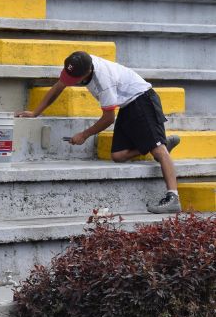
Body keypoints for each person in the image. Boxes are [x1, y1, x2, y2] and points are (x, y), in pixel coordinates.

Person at [16, 51, 182, 214]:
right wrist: (35, 112)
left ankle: (173, 197)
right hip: (127, 105)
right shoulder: (79, 64)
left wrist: (84, 135)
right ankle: (160, 143)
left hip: (142, 100)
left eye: (75, 79)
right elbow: (59, 87)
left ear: (88, 72)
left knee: (159, 151)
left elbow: (108, 118)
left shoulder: (104, 81)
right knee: (118, 155)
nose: (72, 82)